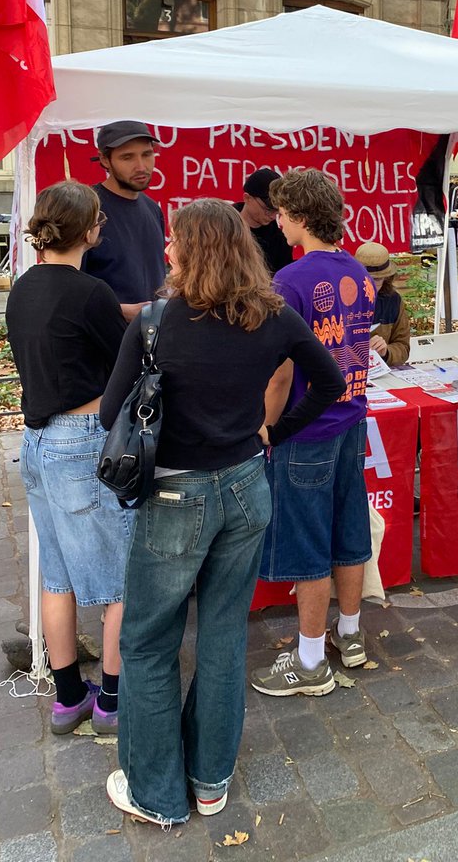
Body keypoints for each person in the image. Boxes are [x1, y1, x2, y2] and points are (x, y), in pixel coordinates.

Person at [100, 199, 345, 827]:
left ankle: (157, 795)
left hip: (177, 495)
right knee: (222, 634)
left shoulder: (155, 322)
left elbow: (112, 418)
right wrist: (273, 430)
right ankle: (210, 782)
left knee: (150, 642)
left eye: (174, 240)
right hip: (244, 487)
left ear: (193, 248)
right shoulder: (272, 316)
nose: (166, 250)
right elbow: (330, 383)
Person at [5, 182, 128, 736]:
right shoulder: (91, 292)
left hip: (35, 439)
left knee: (57, 576)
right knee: (120, 581)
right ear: (88, 230)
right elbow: (121, 360)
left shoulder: (22, 286)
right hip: (81, 439)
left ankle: (66, 699)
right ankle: (111, 700)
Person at [252, 169, 375, 697]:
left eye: (281, 213)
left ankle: (307, 661)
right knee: (348, 533)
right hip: (351, 418)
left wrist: (265, 425)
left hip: (306, 430)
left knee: (307, 544)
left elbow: (280, 372)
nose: (277, 223)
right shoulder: (359, 270)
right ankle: (348, 635)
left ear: (299, 217)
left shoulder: (290, 280)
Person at [83, 121, 165, 321]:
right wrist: (119, 311)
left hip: (153, 339)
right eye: (127, 157)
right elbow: (67, 289)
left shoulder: (153, 209)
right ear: (104, 159)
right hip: (106, 342)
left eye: (147, 154)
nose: (141, 166)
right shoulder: (86, 210)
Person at [355, 241, 411, 367]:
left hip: (380, 373)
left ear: (386, 277)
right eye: (366, 279)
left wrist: (386, 352)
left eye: (377, 279)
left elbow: (403, 347)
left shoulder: (393, 301)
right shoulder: (340, 299)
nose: (371, 286)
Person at [236, 167, 293, 275]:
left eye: (277, 210)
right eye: (267, 209)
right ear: (247, 198)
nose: (272, 215)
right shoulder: (222, 228)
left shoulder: (281, 241)